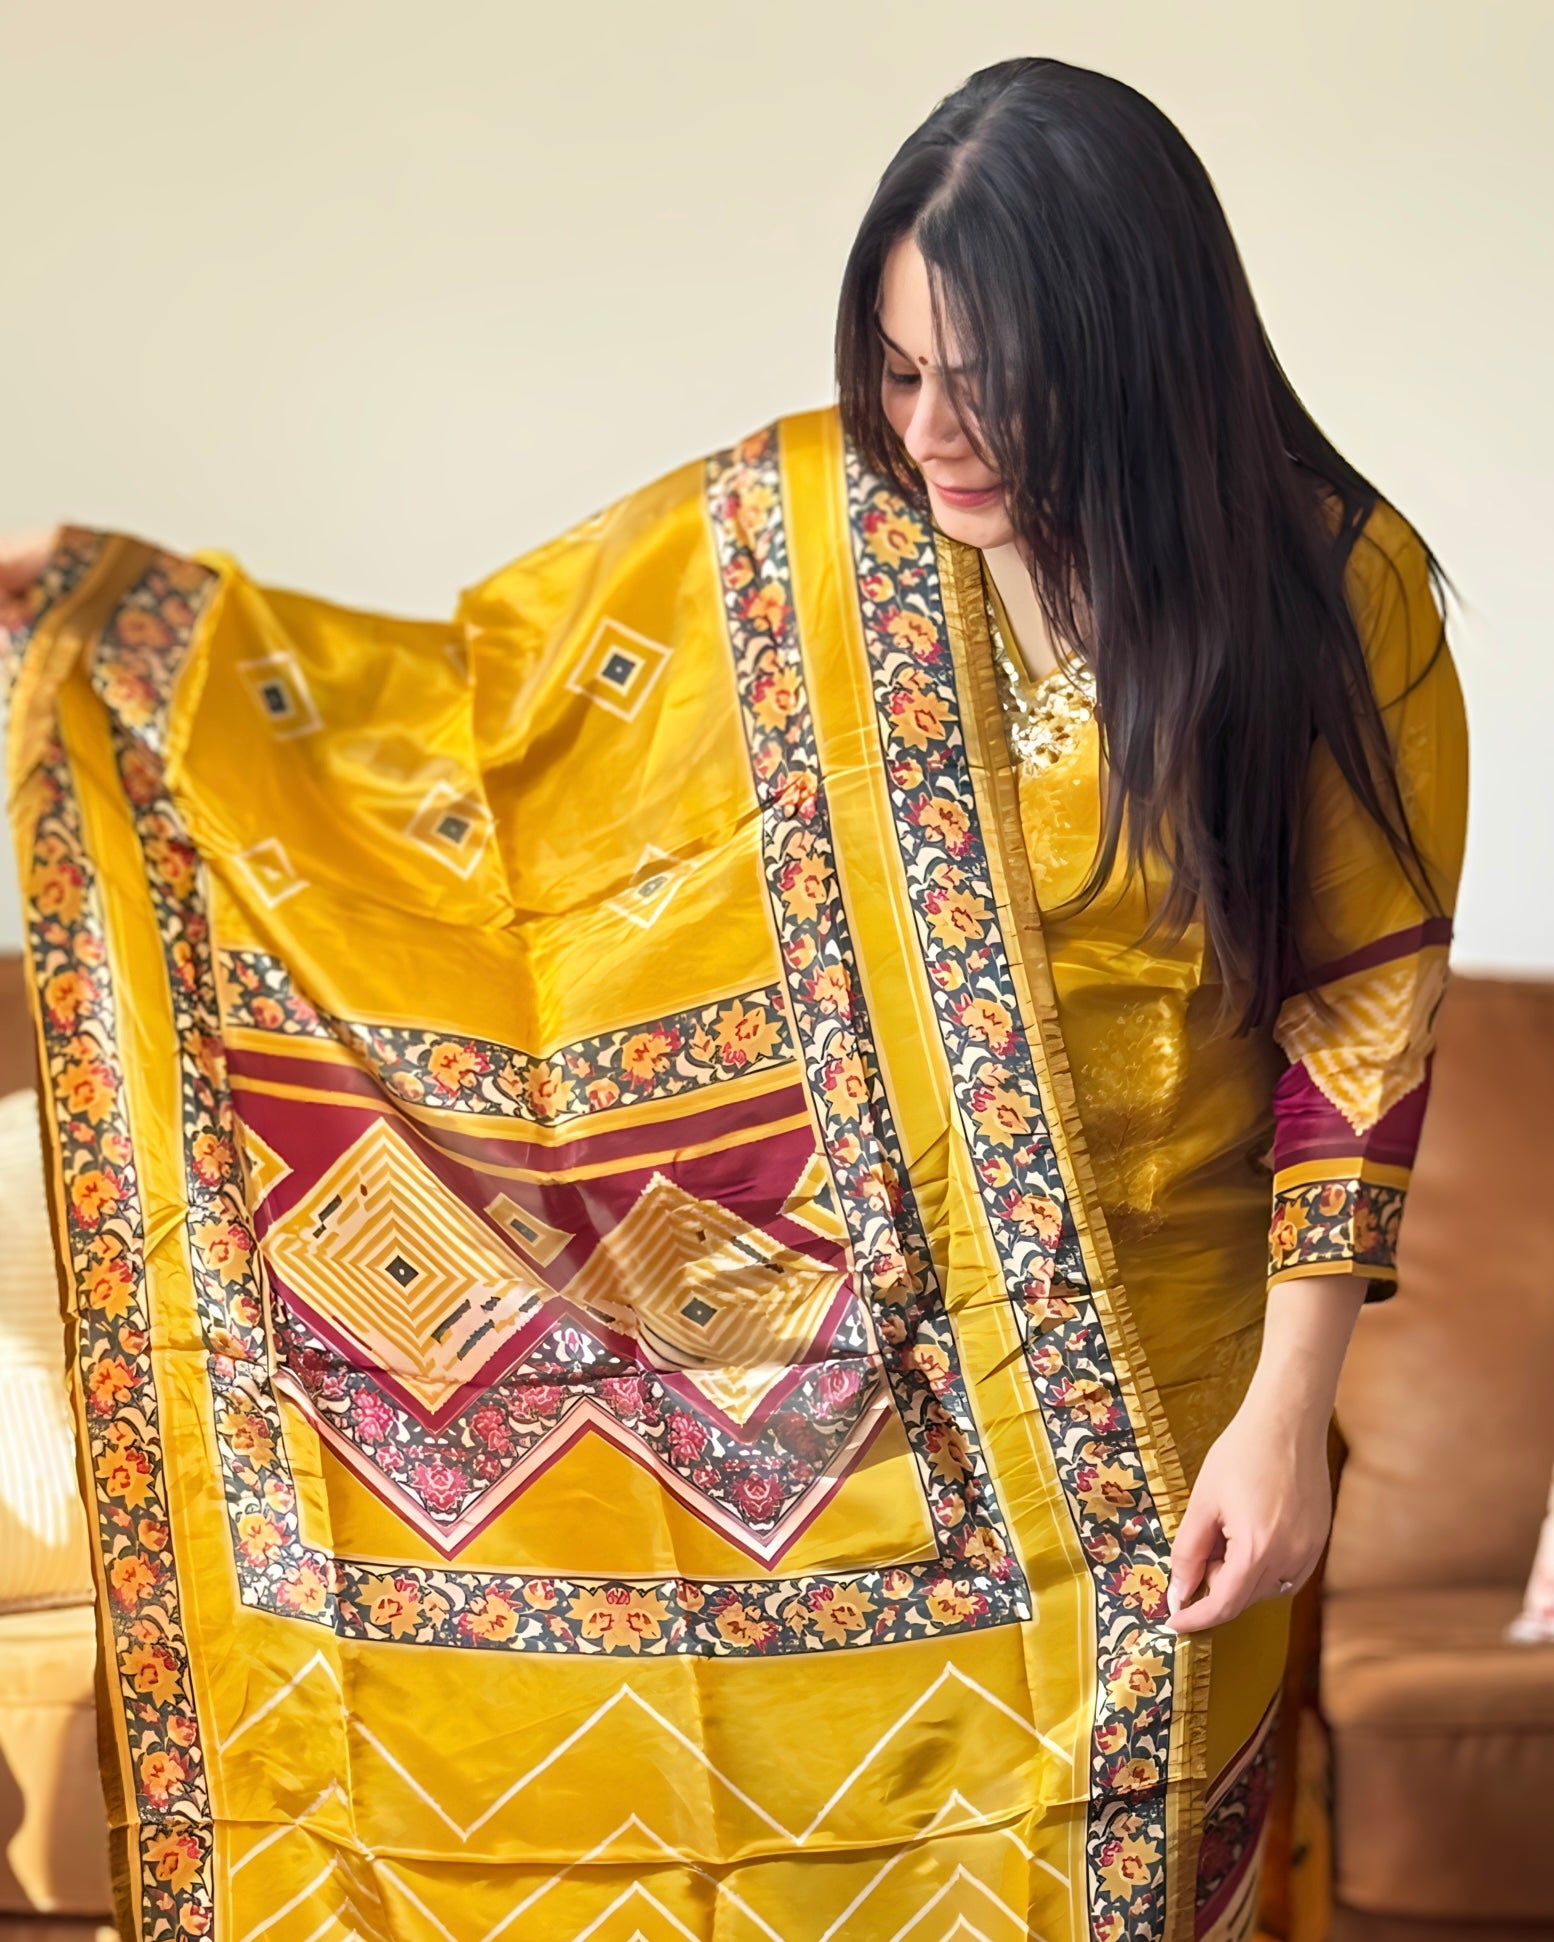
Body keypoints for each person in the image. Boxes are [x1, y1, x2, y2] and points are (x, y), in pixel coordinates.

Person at [0, 55, 1466, 1942]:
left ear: (1134, 349)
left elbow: (1356, 1021)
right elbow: (477, 725)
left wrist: (1288, 1408)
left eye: (983, 378)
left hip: (1169, 1379)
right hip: (842, 1384)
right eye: (896, 364)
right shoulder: (806, 524)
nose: (927, 429)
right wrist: (127, 629)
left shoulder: (1337, 590)